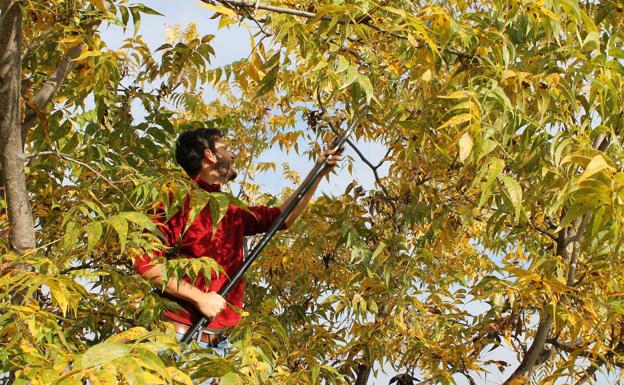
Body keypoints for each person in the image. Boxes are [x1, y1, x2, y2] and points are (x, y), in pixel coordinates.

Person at [135, 128, 342, 353]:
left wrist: (318, 173)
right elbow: (145, 261)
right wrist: (199, 298)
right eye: (225, 149)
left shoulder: (229, 208)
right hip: (179, 341)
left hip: (219, 346)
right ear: (209, 155)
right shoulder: (176, 199)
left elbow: (282, 219)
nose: (233, 155)